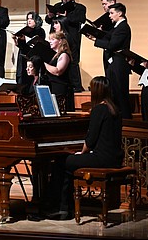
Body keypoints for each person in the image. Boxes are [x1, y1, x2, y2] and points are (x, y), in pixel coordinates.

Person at [49, 76, 123, 220]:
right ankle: (64, 206)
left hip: (101, 158)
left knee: (63, 162)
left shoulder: (99, 110)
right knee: (68, 161)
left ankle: (61, 207)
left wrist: (80, 153)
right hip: (114, 157)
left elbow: (90, 140)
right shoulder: (114, 109)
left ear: (96, 91)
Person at [89, 3, 133, 119]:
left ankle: (125, 120)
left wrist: (95, 40)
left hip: (119, 64)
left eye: (112, 13)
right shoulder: (117, 27)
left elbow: (112, 44)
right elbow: (108, 36)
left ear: (120, 13)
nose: (109, 16)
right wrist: (96, 33)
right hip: (114, 64)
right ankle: (117, 119)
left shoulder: (123, 27)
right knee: (113, 92)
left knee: (120, 93)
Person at [45, 0, 87, 92]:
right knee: (56, 59)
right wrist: (49, 16)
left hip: (71, 38)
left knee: (73, 62)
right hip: (57, 37)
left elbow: (81, 19)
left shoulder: (79, 7)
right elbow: (48, 20)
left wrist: (66, 15)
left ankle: (76, 86)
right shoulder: (57, 6)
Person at [43, 31, 75, 112]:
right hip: (52, 86)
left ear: (60, 41)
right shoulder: (52, 55)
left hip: (61, 89)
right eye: (49, 39)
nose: (50, 42)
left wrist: (44, 63)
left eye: (52, 39)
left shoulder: (64, 54)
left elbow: (58, 71)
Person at [14, 11, 46, 86]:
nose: (29, 21)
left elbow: (40, 43)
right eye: (28, 19)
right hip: (23, 57)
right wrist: (15, 39)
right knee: (23, 78)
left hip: (34, 57)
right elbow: (21, 46)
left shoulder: (40, 31)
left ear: (36, 20)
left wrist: (26, 39)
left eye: (31, 19)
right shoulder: (24, 31)